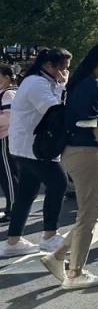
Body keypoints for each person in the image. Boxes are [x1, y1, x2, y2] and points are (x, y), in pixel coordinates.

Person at [45, 41, 98, 289]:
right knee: (89, 213)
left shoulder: (84, 82)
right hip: (86, 153)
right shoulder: (89, 85)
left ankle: (58, 255)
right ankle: (75, 272)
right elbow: (95, 124)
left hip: (83, 152)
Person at [2, 48, 72, 259]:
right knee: (59, 183)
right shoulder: (36, 83)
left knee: (26, 193)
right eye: (64, 68)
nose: (66, 72)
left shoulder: (38, 81)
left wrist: (59, 85)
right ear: (50, 66)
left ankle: (13, 241)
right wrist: (62, 86)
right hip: (32, 148)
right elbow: (53, 110)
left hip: (26, 147)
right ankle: (50, 235)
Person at [0, 65, 17, 223]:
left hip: (5, 137)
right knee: (6, 175)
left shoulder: (9, 93)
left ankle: (13, 209)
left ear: (6, 77)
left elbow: (8, 117)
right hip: (5, 138)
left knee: (8, 175)